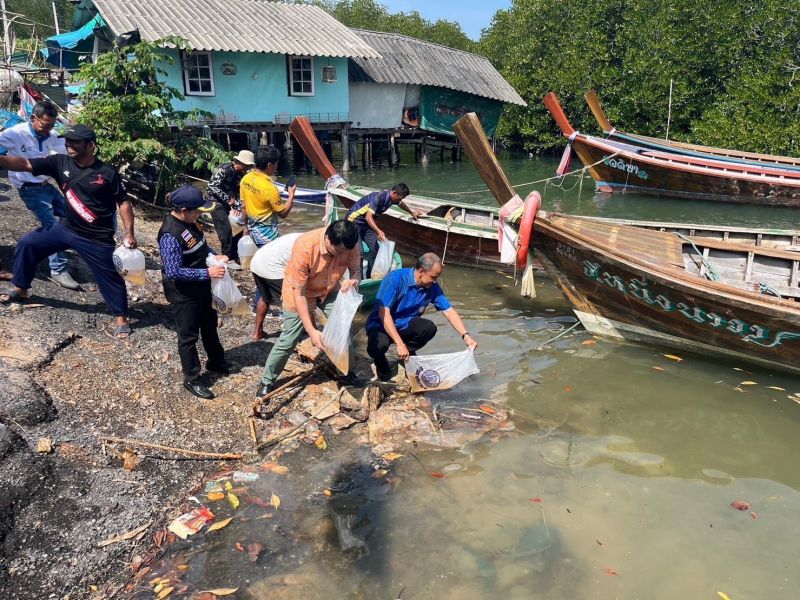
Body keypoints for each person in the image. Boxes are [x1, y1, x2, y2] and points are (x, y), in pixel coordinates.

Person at [0, 124, 136, 338]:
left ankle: (121, 317)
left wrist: (129, 233)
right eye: (67, 141)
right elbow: (25, 163)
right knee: (28, 243)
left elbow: (124, 203)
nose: (68, 145)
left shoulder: (107, 173)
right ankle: (21, 287)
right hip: (66, 228)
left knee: (109, 277)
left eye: (75, 142)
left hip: (97, 237)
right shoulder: (60, 162)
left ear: (90, 146)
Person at [256, 220, 362, 406]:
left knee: (343, 331)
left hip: (330, 288)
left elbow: (356, 271)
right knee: (290, 338)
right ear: (328, 238)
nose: (343, 255)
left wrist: (353, 280)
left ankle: (345, 372)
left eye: (346, 252)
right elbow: (300, 294)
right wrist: (312, 331)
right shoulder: (305, 246)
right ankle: (267, 380)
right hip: (300, 290)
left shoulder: (350, 243)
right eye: (338, 252)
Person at [158, 186, 231, 399]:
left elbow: (201, 246)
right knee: (188, 336)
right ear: (183, 210)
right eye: (196, 211)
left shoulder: (190, 223)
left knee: (209, 325)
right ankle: (192, 378)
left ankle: (216, 361)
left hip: (202, 287)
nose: (200, 214)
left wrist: (214, 256)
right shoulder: (170, 234)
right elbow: (173, 271)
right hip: (183, 293)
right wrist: (207, 272)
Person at [0, 99, 79, 290]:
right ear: (33, 118)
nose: (49, 129)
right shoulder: (15, 133)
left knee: (71, 215)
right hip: (28, 188)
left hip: (46, 185)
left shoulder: (52, 135)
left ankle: (36, 245)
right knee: (52, 225)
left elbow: (68, 154)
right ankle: (59, 269)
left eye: (52, 125)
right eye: (45, 125)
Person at [366, 252, 477, 381]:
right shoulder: (396, 279)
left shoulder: (432, 287)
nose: (435, 281)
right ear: (421, 271)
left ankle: (407, 353)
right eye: (433, 277)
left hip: (405, 325)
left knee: (429, 328)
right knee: (377, 347)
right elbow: (383, 313)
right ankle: (382, 366)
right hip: (381, 324)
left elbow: (449, 311)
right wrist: (399, 343)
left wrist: (466, 336)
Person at [345, 183, 421, 278]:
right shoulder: (379, 198)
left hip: (365, 225)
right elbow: (369, 217)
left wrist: (411, 212)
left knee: (375, 250)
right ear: (394, 193)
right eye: (400, 198)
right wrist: (378, 231)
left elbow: (401, 204)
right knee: (359, 253)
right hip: (353, 223)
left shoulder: (393, 199)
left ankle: (369, 276)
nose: (400, 200)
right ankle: (357, 279)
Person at [205, 150, 255, 268]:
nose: (247, 168)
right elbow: (212, 186)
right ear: (239, 162)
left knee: (238, 227)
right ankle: (228, 256)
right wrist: (227, 199)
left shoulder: (241, 174)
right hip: (215, 201)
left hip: (229, 202)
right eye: (246, 166)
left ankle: (235, 254)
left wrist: (237, 206)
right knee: (225, 230)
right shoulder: (224, 169)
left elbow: (238, 191)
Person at [249, 231, 302, 341]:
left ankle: (257, 333)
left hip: (257, 260)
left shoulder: (304, 236)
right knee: (291, 300)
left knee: (264, 297)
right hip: (272, 266)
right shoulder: (310, 246)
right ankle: (290, 334)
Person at [241, 146, 295, 247]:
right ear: (269, 165)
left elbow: (244, 207)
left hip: (252, 232)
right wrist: (291, 195)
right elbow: (283, 213)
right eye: (276, 164)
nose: (276, 167)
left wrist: (245, 227)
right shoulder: (270, 188)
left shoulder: (245, 179)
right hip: (268, 236)